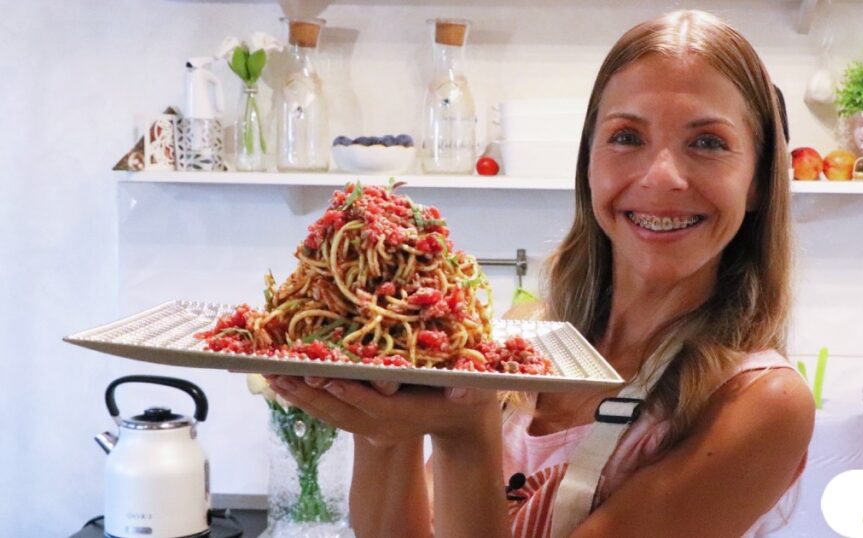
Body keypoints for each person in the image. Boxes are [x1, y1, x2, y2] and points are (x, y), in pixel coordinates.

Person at [267, 9, 815, 537]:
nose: (661, 176)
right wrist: (383, 412)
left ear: (759, 181)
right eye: (627, 136)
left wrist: (467, 431)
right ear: (589, 164)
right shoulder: (525, 331)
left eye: (708, 143)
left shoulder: (759, 403)